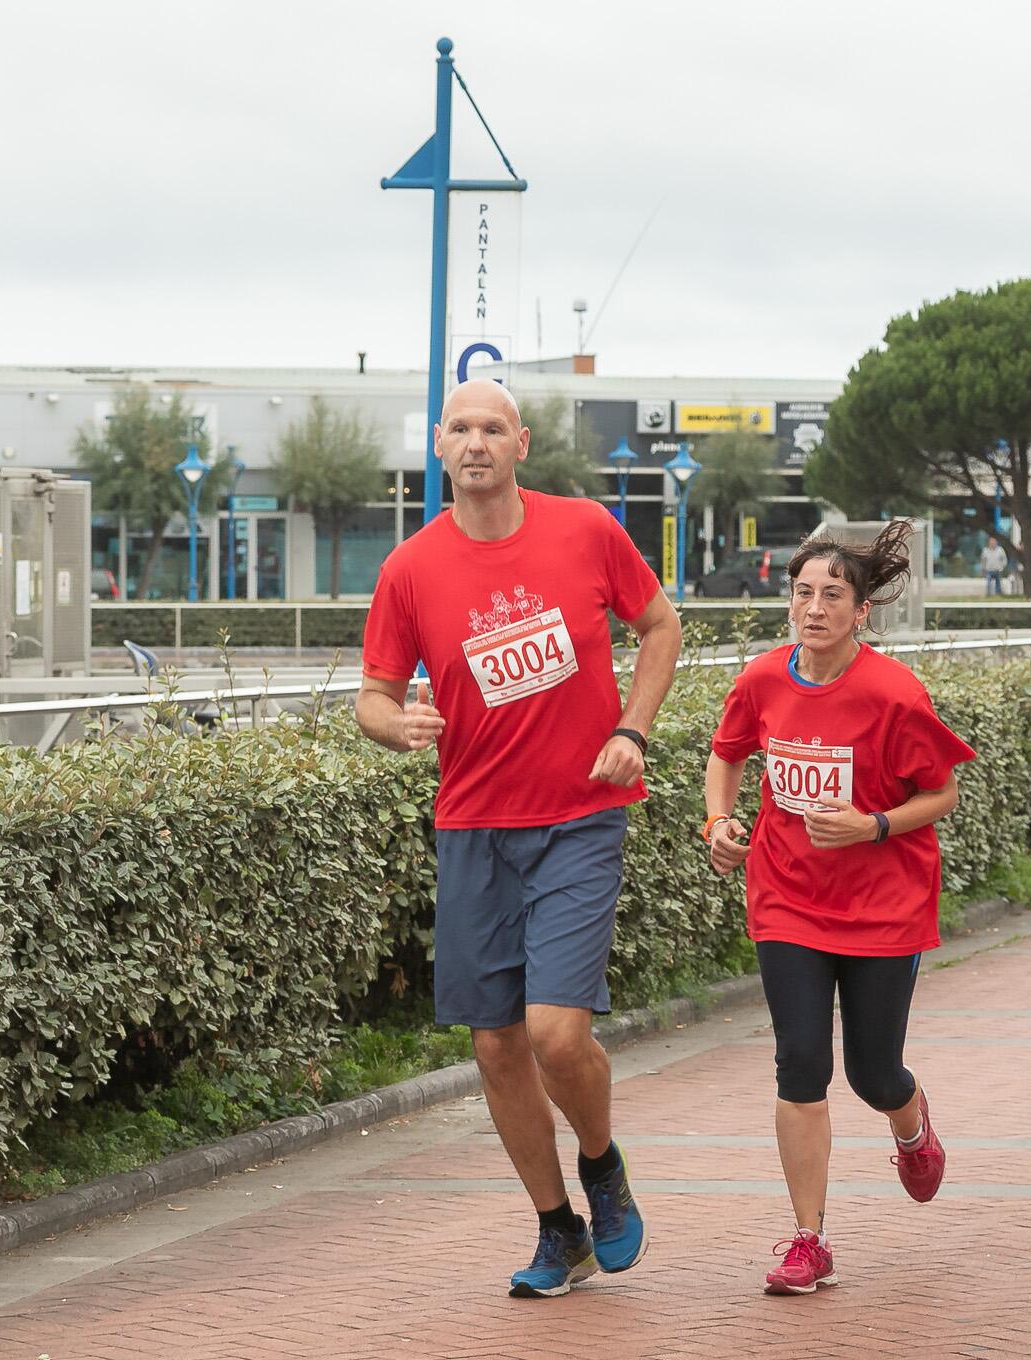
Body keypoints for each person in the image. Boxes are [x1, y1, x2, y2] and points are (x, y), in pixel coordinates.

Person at [355, 378, 682, 1298]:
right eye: (459, 428)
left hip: (579, 816)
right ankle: (557, 1230)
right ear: (438, 444)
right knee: (496, 1047)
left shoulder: (585, 530)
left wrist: (633, 728)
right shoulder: (410, 569)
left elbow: (660, 625)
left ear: (522, 443)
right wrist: (396, 725)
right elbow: (372, 698)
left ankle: (603, 1164)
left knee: (554, 1033)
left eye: (492, 427)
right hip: (472, 829)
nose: (476, 442)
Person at [701, 519, 976, 1296]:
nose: (814, 607)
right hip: (786, 896)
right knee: (801, 1063)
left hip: (883, 904)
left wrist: (873, 825)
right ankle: (807, 1241)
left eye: (832, 595)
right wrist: (719, 823)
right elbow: (726, 756)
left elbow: (943, 790)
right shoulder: (761, 681)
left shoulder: (892, 692)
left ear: (861, 613)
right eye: (803, 593)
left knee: (872, 1070)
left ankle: (911, 1125)